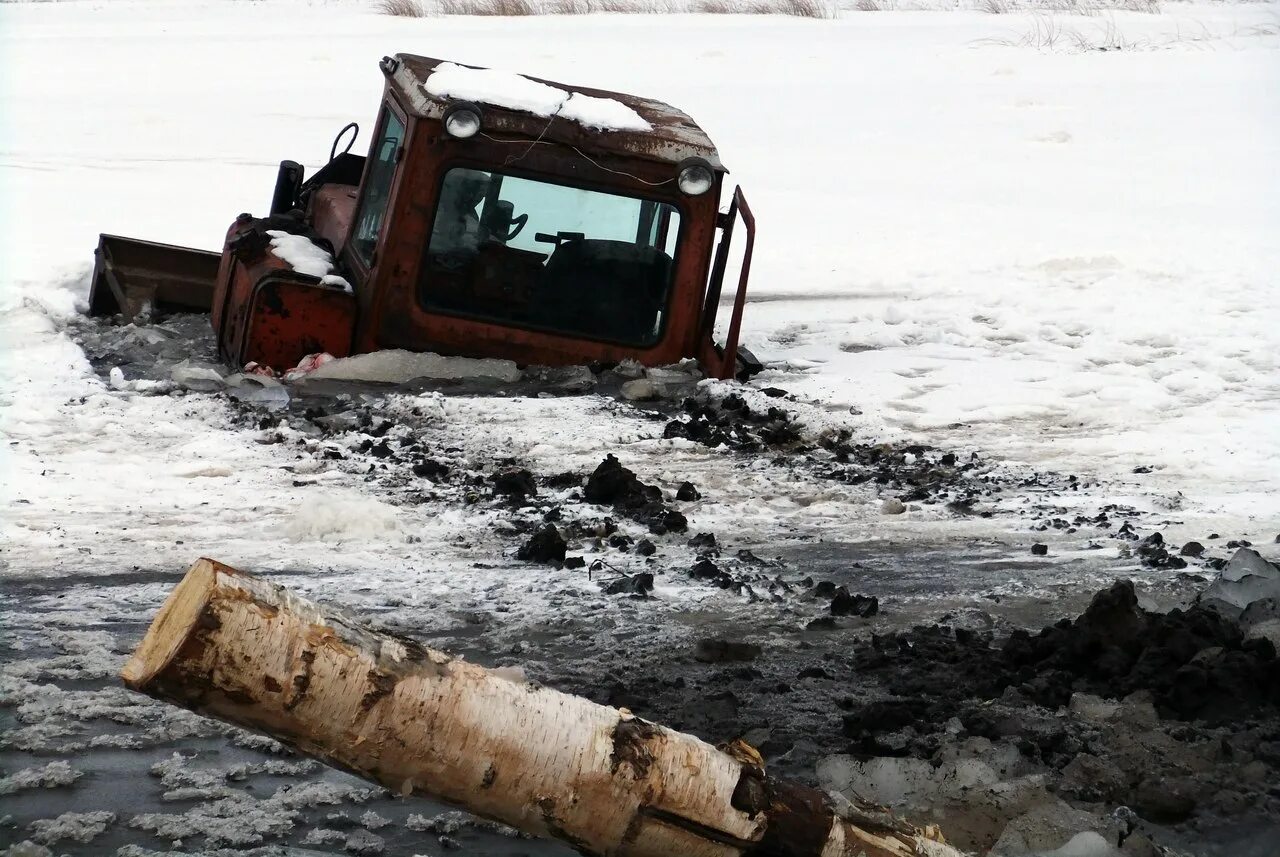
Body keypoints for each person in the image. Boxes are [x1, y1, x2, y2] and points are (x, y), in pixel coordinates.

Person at [429, 169, 490, 259]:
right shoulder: (436, 211)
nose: (478, 199)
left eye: (482, 196)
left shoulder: (471, 215)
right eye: (478, 193)